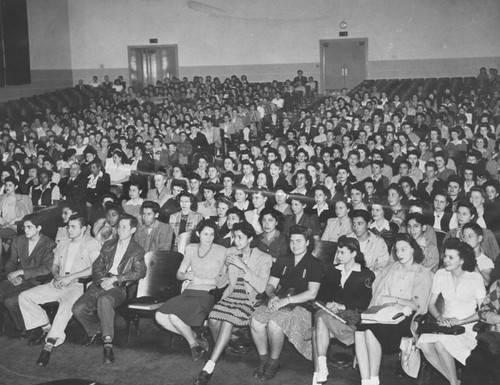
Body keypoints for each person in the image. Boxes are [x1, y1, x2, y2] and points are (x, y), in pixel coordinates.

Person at [193, 222, 272, 385]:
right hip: (231, 296)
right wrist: (225, 267)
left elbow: (261, 287)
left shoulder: (264, 258)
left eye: (240, 237)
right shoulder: (230, 253)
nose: (236, 241)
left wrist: (242, 266)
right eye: (235, 237)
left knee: (228, 319)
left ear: (250, 238)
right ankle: (220, 349)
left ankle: (210, 365)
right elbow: (220, 284)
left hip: (250, 300)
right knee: (213, 318)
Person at [18, 215, 101, 366]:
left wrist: (71, 278)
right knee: (24, 296)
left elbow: (94, 269)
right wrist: (56, 276)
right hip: (57, 282)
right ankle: (46, 326)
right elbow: (54, 265)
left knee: (65, 306)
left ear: (83, 229)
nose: (69, 229)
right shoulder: (63, 242)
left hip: (77, 285)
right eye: (68, 226)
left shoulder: (92, 243)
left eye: (73, 227)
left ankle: (49, 343)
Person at [355, 233, 433, 385]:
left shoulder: (422, 273)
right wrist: (382, 305)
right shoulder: (390, 269)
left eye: (404, 249)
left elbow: (419, 305)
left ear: (413, 250)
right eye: (397, 250)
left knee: (371, 333)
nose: (400, 253)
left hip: (405, 318)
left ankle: (374, 379)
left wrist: (394, 300)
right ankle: (366, 381)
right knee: (359, 332)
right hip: (384, 313)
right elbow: (378, 295)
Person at [250, 225, 324, 380]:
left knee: (274, 323)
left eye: (299, 241)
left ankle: (273, 362)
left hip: (303, 305)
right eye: (292, 241)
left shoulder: (315, 263)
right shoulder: (284, 259)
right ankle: (263, 360)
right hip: (280, 300)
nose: (294, 245)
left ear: (308, 242)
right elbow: (271, 285)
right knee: (255, 320)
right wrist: (271, 296)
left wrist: (286, 301)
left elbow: (312, 293)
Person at [72, 214, 146, 364]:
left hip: (120, 287)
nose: (120, 230)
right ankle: (97, 330)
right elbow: (97, 266)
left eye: (124, 227)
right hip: (101, 282)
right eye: (119, 227)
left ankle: (107, 344)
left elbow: (139, 272)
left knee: (104, 300)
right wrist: (102, 281)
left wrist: (116, 279)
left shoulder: (137, 250)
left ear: (133, 229)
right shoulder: (108, 245)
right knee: (78, 309)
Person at [155, 220, 227, 362]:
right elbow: (179, 274)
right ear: (198, 234)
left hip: (209, 293)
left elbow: (224, 280)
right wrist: (185, 275)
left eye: (212, 234)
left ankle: (193, 345)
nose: (209, 237)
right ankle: (194, 336)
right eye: (205, 234)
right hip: (189, 291)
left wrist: (203, 281)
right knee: (160, 316)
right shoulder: (191, 248)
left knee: (174, 317)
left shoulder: (221, 251)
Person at [419, 239, 486, 385]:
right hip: (445, 324)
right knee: (423, 343)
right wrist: (439, 317)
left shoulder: (475, 278)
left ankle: (453, 383)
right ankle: (454, 381)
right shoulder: (441, 274)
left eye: (451, 257)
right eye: (445, 256)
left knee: (441, 344)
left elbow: (484, 311)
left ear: (462, 260)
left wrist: (461, 321)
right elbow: (431, 304)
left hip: (467, 327)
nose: (446, 260)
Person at [312, 236, 375, 384]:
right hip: (331, 315)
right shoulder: (333, 271)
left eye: (342, 252)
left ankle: (322, 369)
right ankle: (322, 368)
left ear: (353, 254)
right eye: (337, 252)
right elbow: (321, 295)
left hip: (352, 319)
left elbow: (365, 303)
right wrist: (328, 304)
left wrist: (343, 306)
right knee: (321, 314)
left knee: (320, 319)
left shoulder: (366, 274)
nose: (338, 256)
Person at [0, 213, 56, 335]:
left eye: (29, 227)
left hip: (36, 281)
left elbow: (46, 269)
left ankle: (27, 327)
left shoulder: (49, 244)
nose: (25, 230)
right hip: (17, 279)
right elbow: (11, 262)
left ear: (39, 228)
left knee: (10, 301)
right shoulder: (19, 241)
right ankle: (18, 325)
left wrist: (21, 272)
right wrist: (10, 275)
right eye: (24, 227)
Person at [347, 209, 390, 276]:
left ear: (369, 224)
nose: (356, 227)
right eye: (354, 224)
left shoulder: (378, 242)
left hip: (369, 280)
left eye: (359, 224)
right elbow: (337, 262)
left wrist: (367, 277)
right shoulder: (346, 239)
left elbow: (383, 267)